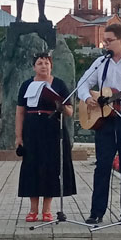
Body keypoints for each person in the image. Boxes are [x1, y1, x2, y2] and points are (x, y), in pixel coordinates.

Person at [76, 23, 121, 224]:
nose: (105, 44)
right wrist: (87, 97)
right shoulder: (102, 62)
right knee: (102, 165)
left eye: (109, 41)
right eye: (104, 41)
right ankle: (96, 212)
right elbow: (83, 83)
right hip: (104, 120)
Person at [15, 52, 76, 222]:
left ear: (51, 66)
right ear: (34, 67)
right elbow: (20, 112)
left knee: (51, 168)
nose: (43, 66)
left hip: (53, 130)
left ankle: (47, 210)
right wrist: (18, 136)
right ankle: (33, 209)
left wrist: (61, 106)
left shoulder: (59, 84)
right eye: (40, 63)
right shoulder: (26, 85)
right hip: (32, 129)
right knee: (32, 166)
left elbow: (70, 111)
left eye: (46, 63)